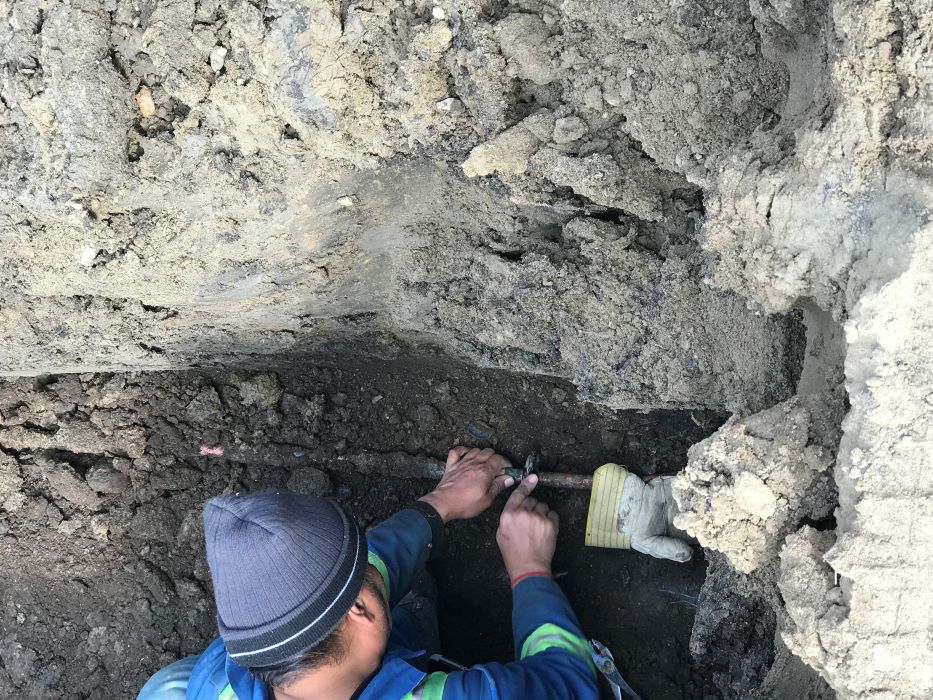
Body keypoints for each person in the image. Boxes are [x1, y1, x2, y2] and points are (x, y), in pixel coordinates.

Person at [137, 447, 599, 700]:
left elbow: (351, 582)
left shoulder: (226, 668)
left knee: (167, 691)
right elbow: (572, 683)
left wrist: (438, 505)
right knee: (411, 599)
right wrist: (529, 570)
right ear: (359, 610)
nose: (373, 562)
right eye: (365, 572)